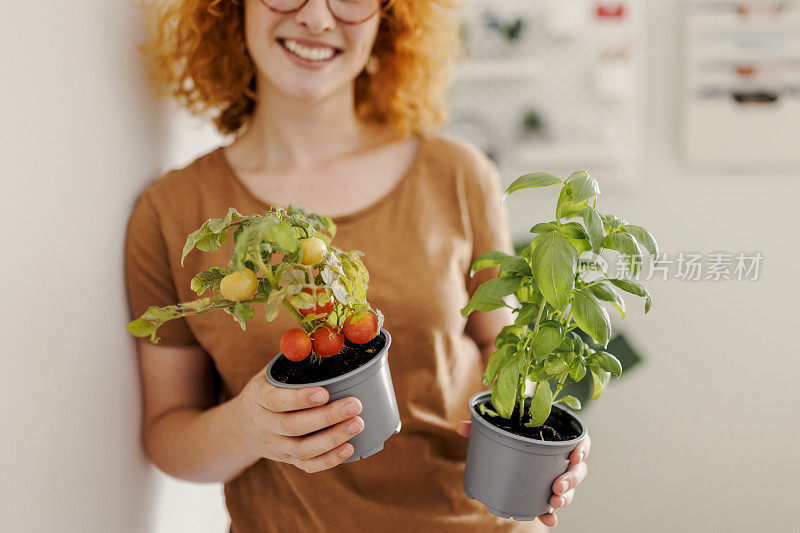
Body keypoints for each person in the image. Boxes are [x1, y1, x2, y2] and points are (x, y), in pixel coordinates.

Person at [126, 0, 590, 531]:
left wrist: (541, 438)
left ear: (389, 16)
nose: (318, 19)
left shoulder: (458, 175)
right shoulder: (172, 211)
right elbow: (167, 435)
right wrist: (247, 428)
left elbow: (504, 354)